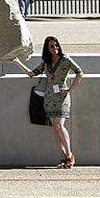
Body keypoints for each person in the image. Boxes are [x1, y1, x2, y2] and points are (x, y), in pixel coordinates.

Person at [13, 36, 84, 168]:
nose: (55, 48)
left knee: (59, 125)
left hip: (62, 97)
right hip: (49, 98)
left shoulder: (65, 59)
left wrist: (69, 89)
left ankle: (69, 155)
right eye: (52, 46)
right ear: (47, 48)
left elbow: (80, 73)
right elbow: (31, 73)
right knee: (56, 128)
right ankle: (63, 157)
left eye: (56, 45)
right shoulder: (46, 62)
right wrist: (17, 62)